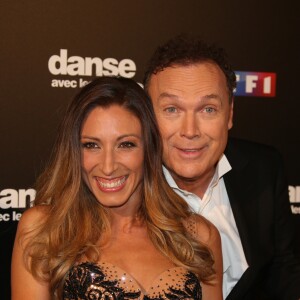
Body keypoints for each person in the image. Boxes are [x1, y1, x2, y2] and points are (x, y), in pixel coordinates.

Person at [11, 77, 222, 300]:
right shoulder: (46, 230)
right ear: (73, 151)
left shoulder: (198, 236)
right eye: (91, 145)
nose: (108, 166)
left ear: (149, 149)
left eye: (126, 145)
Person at [143, 35, 300, 300]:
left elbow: (283, 268)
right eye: (172, 109)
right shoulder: (125, 190)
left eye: (208, 109)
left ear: (229, 115)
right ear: (147, 116)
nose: (190, 131)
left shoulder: (263, 166)